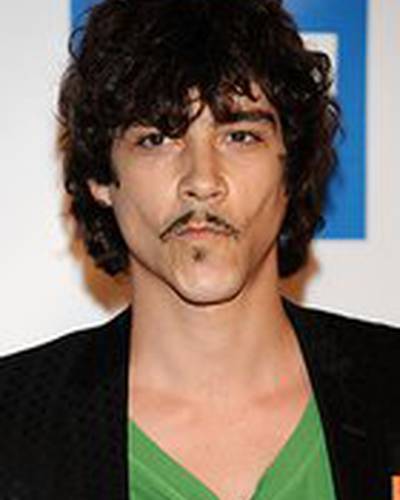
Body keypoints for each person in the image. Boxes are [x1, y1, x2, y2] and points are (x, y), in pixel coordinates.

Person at [1, 0, 399, 499]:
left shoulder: (389, 387)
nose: (202, 180)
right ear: (101, 178)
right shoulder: (13, 423)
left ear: (291, 168)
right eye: (156, 139)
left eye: (240, 135)